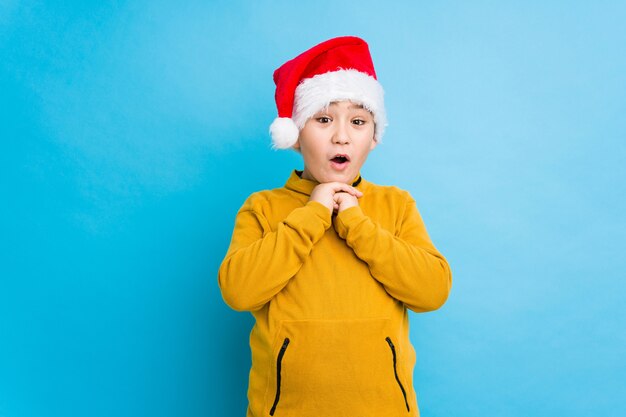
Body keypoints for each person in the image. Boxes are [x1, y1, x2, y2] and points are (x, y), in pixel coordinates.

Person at [218, 36, 452, 417]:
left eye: (358, 121)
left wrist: (357, 225)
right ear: (296, 134)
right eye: (323, 119)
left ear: (373, 138)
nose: (341, 135)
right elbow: (238, 292)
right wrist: (312, 215)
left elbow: (432, 292)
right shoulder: (262, 208)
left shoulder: (396, 205)